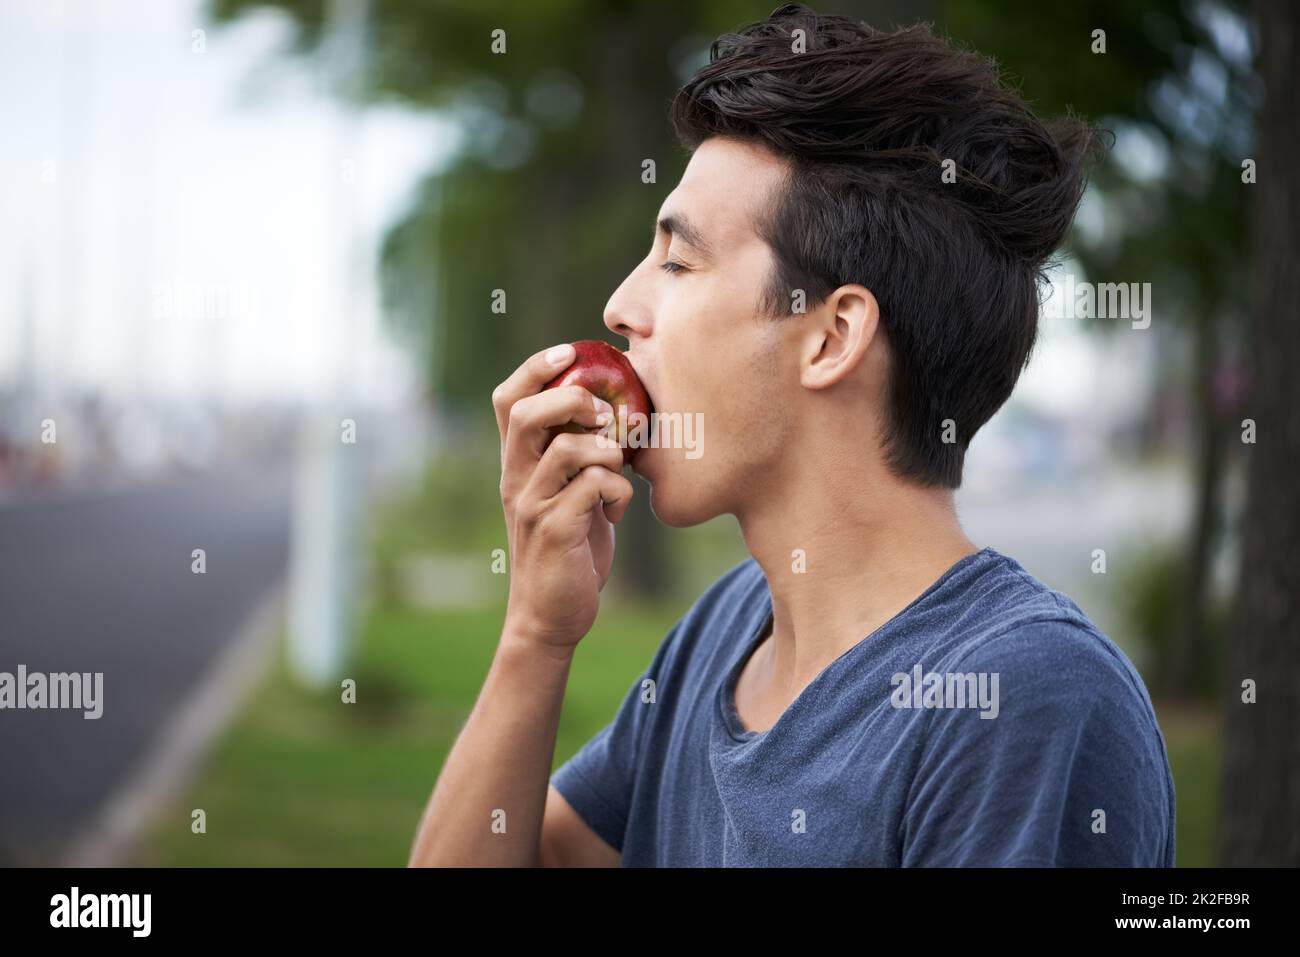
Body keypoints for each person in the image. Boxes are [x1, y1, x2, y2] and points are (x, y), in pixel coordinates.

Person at [409, 3, 1175, 867]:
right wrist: (536, 633)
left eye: (678, 260)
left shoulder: (1024, 700)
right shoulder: (723, 632)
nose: (622, 307)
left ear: (832, 336)